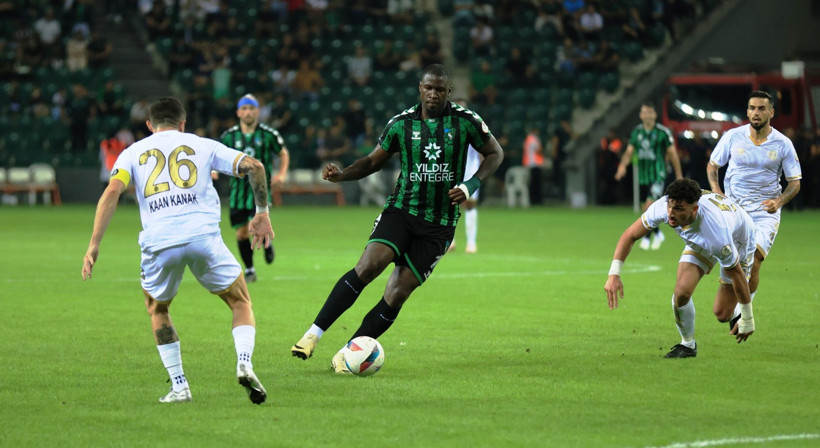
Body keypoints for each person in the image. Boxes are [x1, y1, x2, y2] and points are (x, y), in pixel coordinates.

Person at [290, 65, 504, 373]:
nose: (433, 94)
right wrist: (342, 175)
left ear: (448, 92)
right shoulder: (401, 124)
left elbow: (495, 153)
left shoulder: (466, 122)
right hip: (402, 211)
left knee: (396, 293)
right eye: (428, 88)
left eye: (440, 90)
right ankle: (313, 334)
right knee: (367, 267)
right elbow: (373, 161)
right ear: (420, 88)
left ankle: (349, 354)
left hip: (439, 225)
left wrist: (471, 185)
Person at [81, 97, 272, 404]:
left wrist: (94, 244)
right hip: (203, 236)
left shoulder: (132, 152)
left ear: (148, 125)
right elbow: (255, 167)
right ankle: (244, 362)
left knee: (158, 308)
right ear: (183, 124)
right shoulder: (203, 144)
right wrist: (261, 212)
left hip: (159, 242)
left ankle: (180, 385)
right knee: (240, 300)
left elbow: (112, 192)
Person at [604, 178, 757, 358]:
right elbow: (630, 235)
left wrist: (747, 317)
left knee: (722, 313)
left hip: (738, 238)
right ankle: (688, 345)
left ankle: (738, 311)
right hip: (698, 238)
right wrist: (614, 274)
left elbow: (737, 274)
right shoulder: (663, 207)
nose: (670, 213)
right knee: (682, 293)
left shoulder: (717, 234)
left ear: (694, 209)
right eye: (670, 206)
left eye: (678, 209)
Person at [706, 90, 802, 331]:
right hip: (734, 212)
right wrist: (717, 191)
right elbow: (712, 166)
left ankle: (743, 313)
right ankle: (731, 309)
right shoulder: (732, 137)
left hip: (764, 213)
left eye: (761, 108)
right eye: (751, 108)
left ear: (771, 112)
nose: (755, 112)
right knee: (720, 310)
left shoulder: (783, 144)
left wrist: (778, 202)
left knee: (754, 260)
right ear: (747, 111)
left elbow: (795, 183)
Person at [218, 94, 290, 283]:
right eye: (244, 109)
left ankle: (267, 242)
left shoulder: (268, 134)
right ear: (238, 112)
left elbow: (283, 153)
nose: (248, 112)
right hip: (237, 193)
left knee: (258, 225)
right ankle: (250, 269)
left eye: (251, 108)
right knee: (241, 233)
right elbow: (215, 156)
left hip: (260, 192)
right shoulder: (229, 136)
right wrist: (213, 171)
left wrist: (281, 174)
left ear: (257, 111)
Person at [615, 102, 682, 250]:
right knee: (646, 209)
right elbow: (629, 151)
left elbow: (672, 154)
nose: (647, 115)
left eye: (650, 112)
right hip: (643, 176)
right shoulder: (636, 133)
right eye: (644, 112)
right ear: (641, 115)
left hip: (658, 174)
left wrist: (679, 175)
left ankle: (646, 238)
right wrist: (622, 166)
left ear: (654, 115)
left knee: (648, 205)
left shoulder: (662, 133)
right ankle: (658, 234)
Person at [449, 98, 483, 253]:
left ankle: (471, 242)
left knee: (470, 205)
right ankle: (450, 241)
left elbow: (483, 150)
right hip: (452, 170)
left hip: (471, 170)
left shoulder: (475, 126)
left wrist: (481, 171)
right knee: (450, 204)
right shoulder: (447, 127)